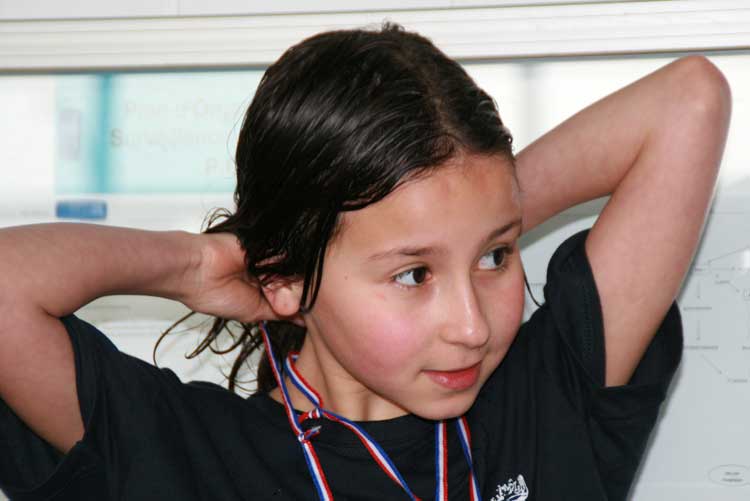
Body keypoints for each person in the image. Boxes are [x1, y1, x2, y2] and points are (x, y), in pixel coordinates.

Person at [0, 23, 731, 501]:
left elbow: (690, 101)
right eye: (414, 275)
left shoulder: (547, 399)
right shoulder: (188, 454)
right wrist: (195, 266)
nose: (472, 326)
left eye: (496, 258)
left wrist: (462, 216)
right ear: (283, 279)